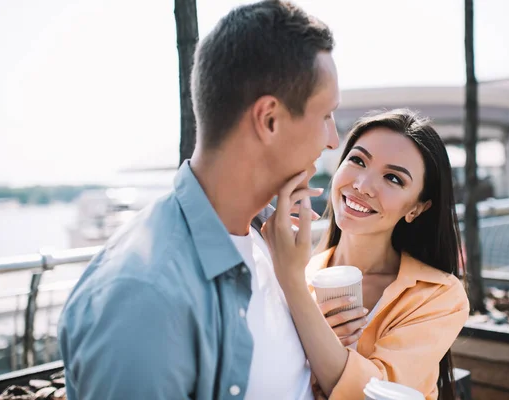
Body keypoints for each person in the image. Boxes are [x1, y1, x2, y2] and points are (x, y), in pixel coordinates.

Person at [57, 1, 340, 399]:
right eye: (327, 115)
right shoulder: (146, 300)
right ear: (269, 120)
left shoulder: (266, 239)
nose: (333, 140)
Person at [262, 109, 469, 400]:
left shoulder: (438, 295)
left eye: (393, 179)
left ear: (417, 208)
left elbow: (378, 393)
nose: (361, 185)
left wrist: (293, 284)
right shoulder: (296, 270)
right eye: (358, 160)